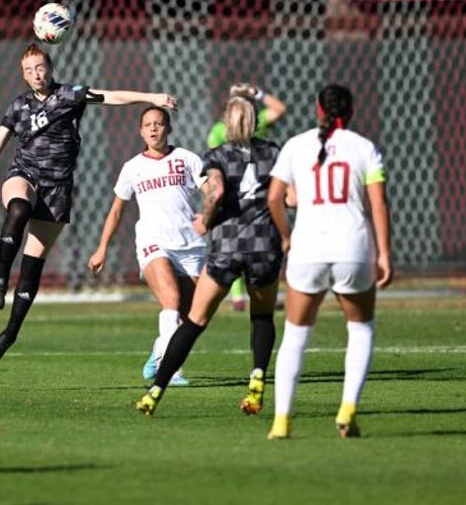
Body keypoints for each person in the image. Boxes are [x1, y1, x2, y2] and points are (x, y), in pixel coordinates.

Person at [0, 44, 177, 366]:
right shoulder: (18, 107)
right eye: (28, 70)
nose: (35, 75)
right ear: (23, 75)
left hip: (57, 189)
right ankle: (0, 280)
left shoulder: (70, 96)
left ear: (50, 67)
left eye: (40, 67)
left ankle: (9, 335)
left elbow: (110, 96)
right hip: (24, 174)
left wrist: (151, 98)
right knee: (18, 208)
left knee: (32, 266)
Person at [136, 90, 283, 417]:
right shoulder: (274, 152)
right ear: (256, 121)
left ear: (227, 123)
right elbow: (289, 196)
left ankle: (157, 389)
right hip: (263, 246)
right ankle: (257, 378)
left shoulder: (218, 154)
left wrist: (207, 218)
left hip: (227, 247)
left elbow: (214, 192)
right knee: (261, 317)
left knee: (194, 320)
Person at [264, 84, 392, 440]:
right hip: (353, 247)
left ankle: (282, 421)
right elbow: (378, 204)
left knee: (295, 336)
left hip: (308, 249)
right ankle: (348, 410)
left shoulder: (296, 145)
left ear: (319, 110)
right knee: (361, 328)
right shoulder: (364, 147)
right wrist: (384, 254)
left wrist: (286, 236)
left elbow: (274, 198)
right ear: (349, 113)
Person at [87, 106, 206, 386]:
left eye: (159, 124)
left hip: (190, 246)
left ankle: (158, 352)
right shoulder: (133, 167)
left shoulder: (187, 159)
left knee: (187, 318)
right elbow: (117, 210)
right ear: (141, 131)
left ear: (169, 128)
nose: (154, 129)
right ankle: (169, 368)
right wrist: (102, 247)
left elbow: (211, 191)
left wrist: (212, 214)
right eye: (148, 125)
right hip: (153, 243)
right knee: (171, 302)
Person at [207, 83, 287, 312]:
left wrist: (255, 93)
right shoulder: (221, 131)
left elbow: (279, 110)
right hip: (242, 192)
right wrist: (258, 93)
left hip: (250, 195)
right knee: (252, 240)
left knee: (235, 241)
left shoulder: (256, 122)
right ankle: (240, 295)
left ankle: (244, 295)